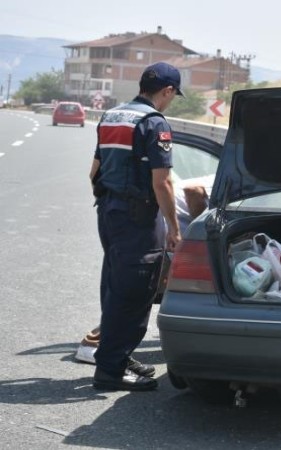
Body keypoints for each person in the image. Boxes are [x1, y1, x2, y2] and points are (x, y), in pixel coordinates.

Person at [87, 62, 183, 391]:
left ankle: (118, 355)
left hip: (109, 211)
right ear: (167, 91)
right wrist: (173, 227)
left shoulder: (112, 116)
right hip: (138, 217)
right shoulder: (154, 123)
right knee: (135, 291)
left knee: (116, 285)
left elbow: (93, 173)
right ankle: (111, 370)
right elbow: (162, 184)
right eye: (173, 95)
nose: (171, 101)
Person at [75, 180, 211, 365]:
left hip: (139, 228)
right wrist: (203, 239)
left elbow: (95, 175)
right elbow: (192, 191)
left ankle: (110, 350)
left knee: (133, 296)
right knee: (134, 298)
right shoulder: (219, 181)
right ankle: (97, 346)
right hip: (163, 240)